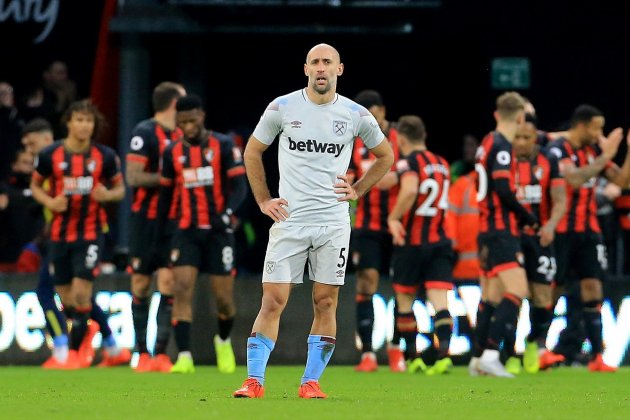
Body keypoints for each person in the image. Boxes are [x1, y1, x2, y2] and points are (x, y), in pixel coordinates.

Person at [233, 43, 393, 399]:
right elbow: (252, 151)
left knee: (325, 302)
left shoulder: (355, 114)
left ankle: (310, 382)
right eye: (315, 62)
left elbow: (385, 155)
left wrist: (359, 190)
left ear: (339, 70)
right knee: (273, 299)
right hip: (290, 220)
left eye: (328, 63)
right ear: (306, 69)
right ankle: (254, 381)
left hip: (332, 223)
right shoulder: (282, 107)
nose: (321, 68)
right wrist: (262, 200)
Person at [30, 100, 130, 369]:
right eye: (79, 120)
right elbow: (35, 185)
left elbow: (120, 189)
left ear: (94, 125)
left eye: (89, 121)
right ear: (69, 123)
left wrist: (107, 195)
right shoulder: (51, 155)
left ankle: (75, 353)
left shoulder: (105, 156)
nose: (84, 125)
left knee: (82, 293)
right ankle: (96, 340)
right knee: (68, 299)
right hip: (60, 235)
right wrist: (50, 203)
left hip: (91, 233)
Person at [157, 94, 247, 374]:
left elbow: (240, 188)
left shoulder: (223, 145)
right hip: (186, 231)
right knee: (182, 289)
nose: (187, 126)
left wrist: (227, 213)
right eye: (182, 122)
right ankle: (184, 356)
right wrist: (163, 237)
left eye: (192, 120)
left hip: (219, 233)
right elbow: (165, 196)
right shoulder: (172, 152)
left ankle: (222, 340)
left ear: (202, 116)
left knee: (223, 299)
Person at [541, 104, 630, 372]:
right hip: (560, 231)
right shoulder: (558, 150)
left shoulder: (592, 152)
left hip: (589, 231)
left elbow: (622, 181)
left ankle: (596, 358)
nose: (599, 134)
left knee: (594, 289)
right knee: (553, 290)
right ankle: (540, 349)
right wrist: (608, 155)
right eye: (596, 127)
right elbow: (575, 179)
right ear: (581, 125)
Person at [471, 91, 538, 378]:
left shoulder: (486, 142)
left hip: (486, 228)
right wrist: (528, 215)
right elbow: (503, 189)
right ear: (521, 119)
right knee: (518, 290)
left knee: (492, 295)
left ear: (497, 114)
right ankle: (490, 354)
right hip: (500, 230)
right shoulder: (501, 146)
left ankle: (476, 359)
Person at [385, 115, 455, 376]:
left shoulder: (408, 162)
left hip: (411, 243)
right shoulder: (442, 164)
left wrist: (393, 218)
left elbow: (411, 190)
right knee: (440, 302)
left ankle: (413, 357)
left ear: (401, 139)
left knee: (405, 300)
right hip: (439, 240)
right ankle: (444, 356)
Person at [125, 81, 186, 372]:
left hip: (173, 221)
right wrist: (168, 178)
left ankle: (160, 353)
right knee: (140, 283)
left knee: (168, 283)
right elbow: (134, 177)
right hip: (144, 221)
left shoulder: (183, 135)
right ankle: (140, 353)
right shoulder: (144, 132)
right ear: (174, 104)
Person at [501, 113, 566, 375]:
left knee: (542, 296)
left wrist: (550, 225)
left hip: (540, 237)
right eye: (516, 137)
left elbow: (560, 198)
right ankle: (509, 355)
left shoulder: (549, 159)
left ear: (535, 136)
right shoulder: (502, 159)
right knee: (513, 295)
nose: (520, 142)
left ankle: (534, 345)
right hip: (511, 237)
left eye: (526, 137)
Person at [348, 89, 404, 372]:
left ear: (382, 111)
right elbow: (346, 179)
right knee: (366, 283)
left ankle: (397, 349)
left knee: (400, 287)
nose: (369, 118)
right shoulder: (354, 141)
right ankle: (368, 353)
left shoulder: (399, 138)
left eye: (373, 112)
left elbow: (408, 173)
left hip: (399, 225)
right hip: (367, 226)